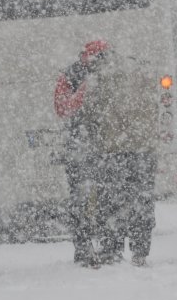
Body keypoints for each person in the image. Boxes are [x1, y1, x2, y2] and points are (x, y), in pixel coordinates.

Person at [54, 40, 160, 267]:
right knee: (133, 199)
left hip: (111, 149)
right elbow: (65, 107)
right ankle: (132, 250)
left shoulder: (99, 77)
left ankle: (112, 249)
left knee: (112, 201)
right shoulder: (132, 70)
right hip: (132, 148)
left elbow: (79, 109)